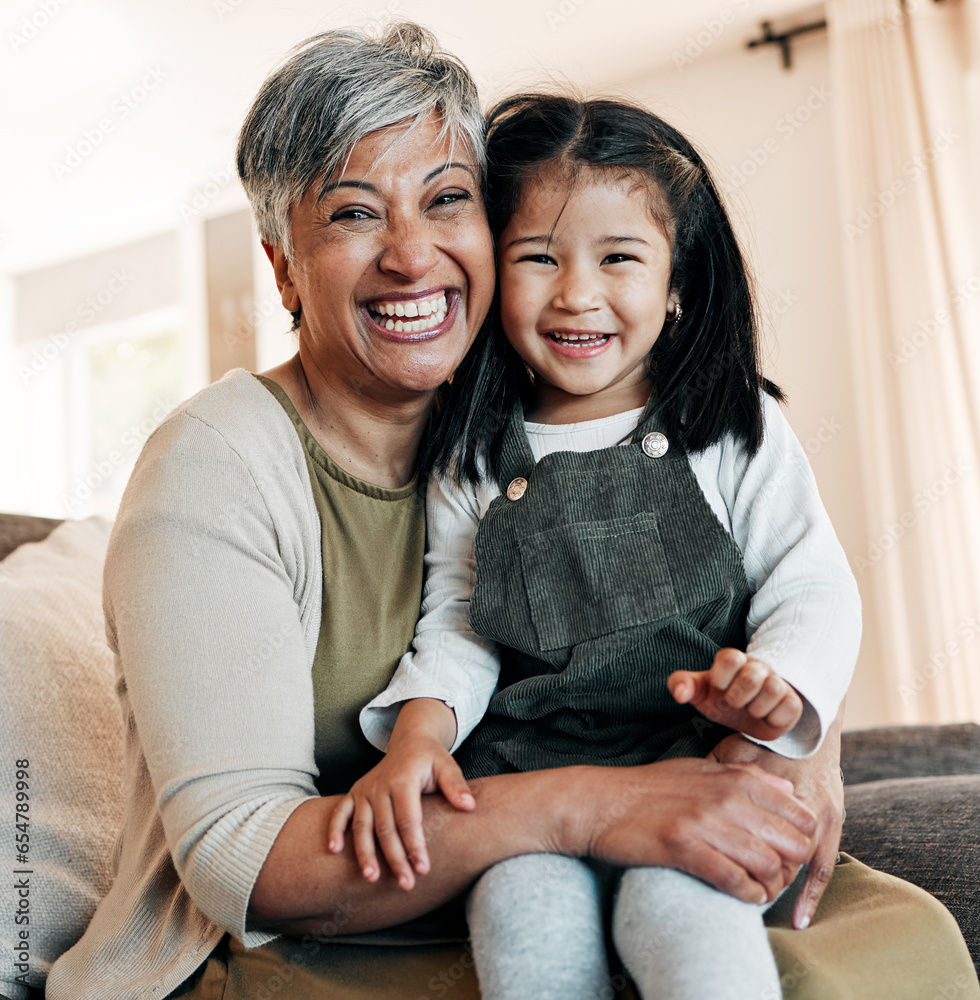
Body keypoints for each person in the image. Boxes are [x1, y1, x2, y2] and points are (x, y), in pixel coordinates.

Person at [45, 23, 977, 1000]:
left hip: (564, 858)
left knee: (880, 945)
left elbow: (785, 583)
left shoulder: (520, 411)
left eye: (445, 200)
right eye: (354, 214)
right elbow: (243, 861)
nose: (411, 255)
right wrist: (590, 803)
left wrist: (794, 734)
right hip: (296, 938)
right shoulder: (223, 462)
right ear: (282, 267)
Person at [330, 93, 858, 1000]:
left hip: (699, 767)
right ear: (494, 276)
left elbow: (810, 586)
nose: (577, 293)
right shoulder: (473, 457)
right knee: (522, 920)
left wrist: (779, 686)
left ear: (677, 282)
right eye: (538, 258)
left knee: (683, 914)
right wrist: (419, 732)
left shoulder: (733, 428)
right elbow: (462, 623)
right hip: (534, 789)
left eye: (618, 258)